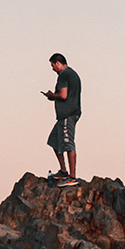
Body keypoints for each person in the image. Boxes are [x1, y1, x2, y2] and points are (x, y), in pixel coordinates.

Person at [41, 53, 81, 185]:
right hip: (65, 115)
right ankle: (63, 171)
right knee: (53, 140)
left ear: (58, 63)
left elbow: (63, 95)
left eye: (53, 65)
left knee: (68, 143)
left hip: (68, 114)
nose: (52, 69)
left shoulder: (64, 74)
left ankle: (72, 177)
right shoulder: (72, 74)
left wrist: (51, 96)